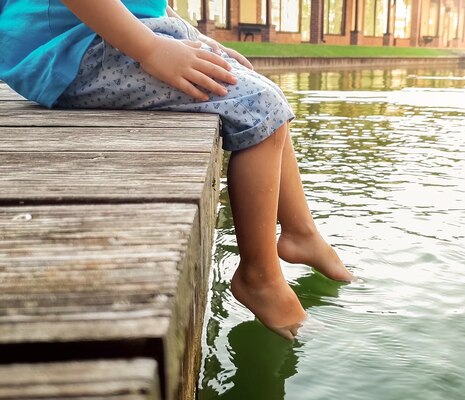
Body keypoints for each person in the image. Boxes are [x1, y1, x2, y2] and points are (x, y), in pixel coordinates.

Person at [0, 0, 354, 339]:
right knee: (258, 106)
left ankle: (300, 233)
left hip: (105, 33)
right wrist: (152, 50)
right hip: (69, 48)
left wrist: (195, 39)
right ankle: (259, 278)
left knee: (261, 91)